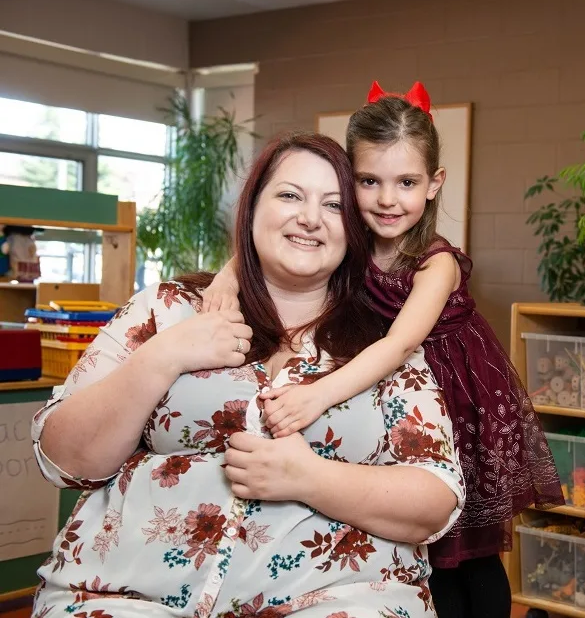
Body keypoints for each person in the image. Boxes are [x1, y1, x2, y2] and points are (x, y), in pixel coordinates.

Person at [30, 132, 465, 618]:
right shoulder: (166, 309)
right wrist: (163, 356)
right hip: (124, 595)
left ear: (357, 228)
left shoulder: (384, 345)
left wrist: (312, 479)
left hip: (340, 599)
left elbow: (436, 501)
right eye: (289, 195)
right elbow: (62, 459)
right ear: (252, 206)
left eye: (335, 205)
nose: (309, 217)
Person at [204, 83, 565, 618]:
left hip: (456, 392)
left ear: (434, 184)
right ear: (349, 182)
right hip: (389, 384)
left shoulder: (434, 261)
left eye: (407, 182)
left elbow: (400, 343)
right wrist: (226, 276)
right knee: (420, 550)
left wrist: (316, 396)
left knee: (467, 549)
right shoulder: (347, 238)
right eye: (370, 181)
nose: (388, 200)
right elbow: (268, 244)